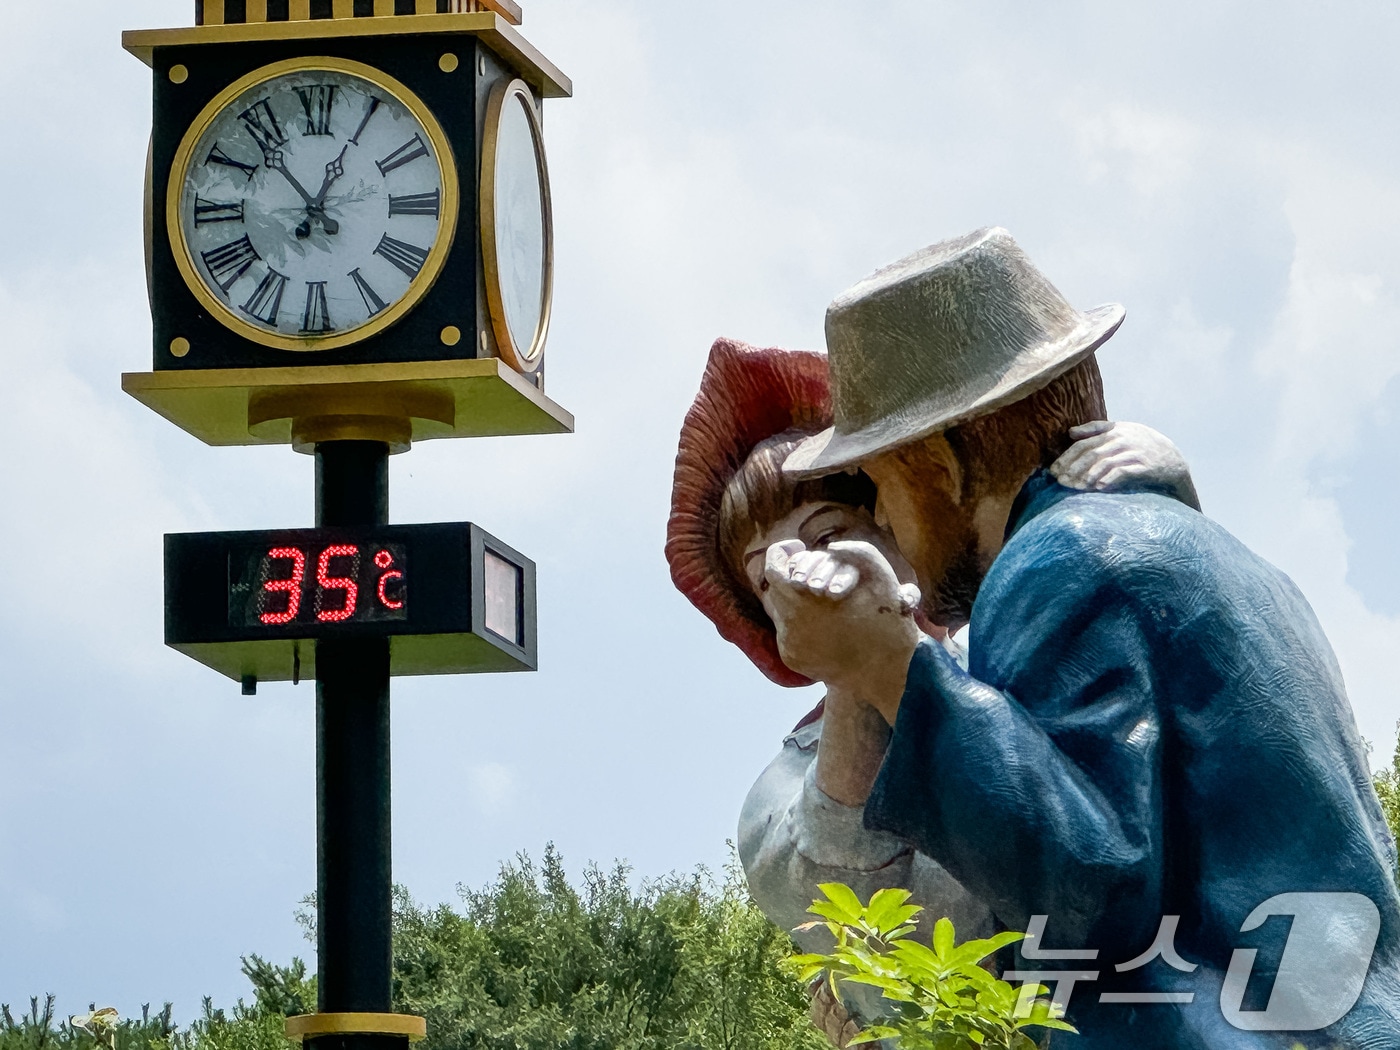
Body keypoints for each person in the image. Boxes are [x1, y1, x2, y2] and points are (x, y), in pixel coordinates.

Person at [766, 227, 1400, 1048]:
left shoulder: (1058, 560)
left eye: (884, 483)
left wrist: (892, 666)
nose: (883, 518)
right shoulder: (1233, 563)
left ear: (943, 464)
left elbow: (1087, 889)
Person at [666, 335, 1202, 1045]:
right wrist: (858, 670)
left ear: (901, 518)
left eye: (830, 533)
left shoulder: (1036, 642)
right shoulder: (783, 794)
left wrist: (1163, 501)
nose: (803, 574)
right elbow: (845, 901)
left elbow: (1187, 690)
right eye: (768, 578)